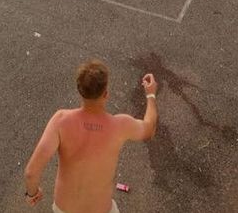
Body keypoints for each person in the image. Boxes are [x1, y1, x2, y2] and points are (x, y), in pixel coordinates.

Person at [24, 60, 158, 213]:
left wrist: (32, 193)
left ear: (80, 90)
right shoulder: (120, 125)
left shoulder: (60, 121)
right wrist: (151, 94)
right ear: (106, 94)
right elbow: (150, 129)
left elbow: (31, 172)